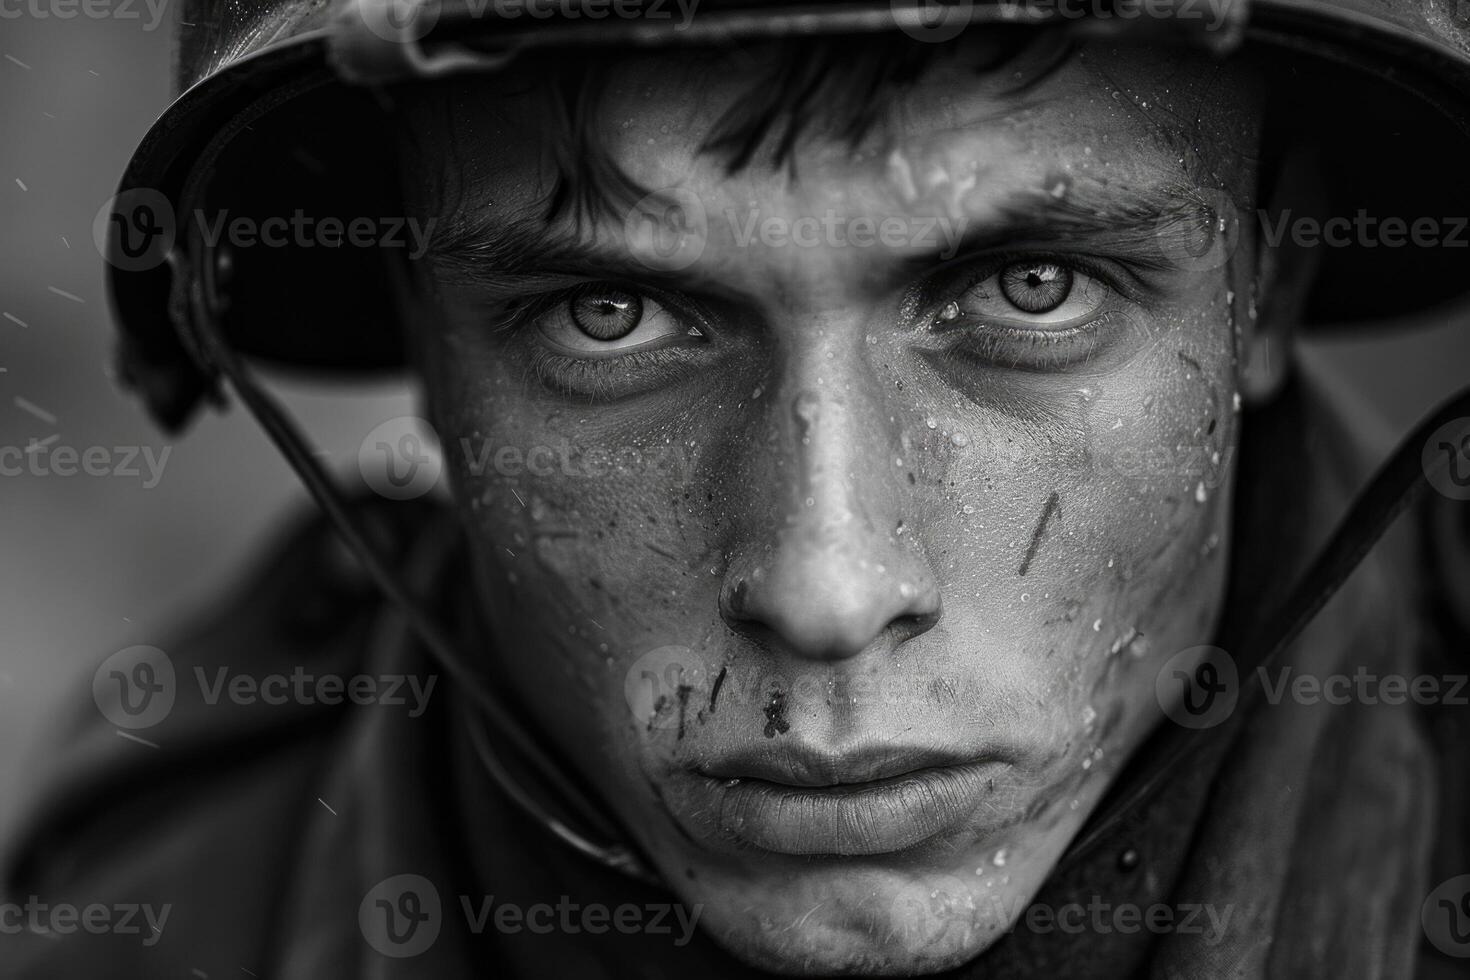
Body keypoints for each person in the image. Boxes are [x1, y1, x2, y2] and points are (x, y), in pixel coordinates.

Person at [5, 1, 1470, 976]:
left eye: (1032, 289)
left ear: (1263, 282)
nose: (825, 588)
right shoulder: (141, 928)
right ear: (419, 342)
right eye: (611, 318)